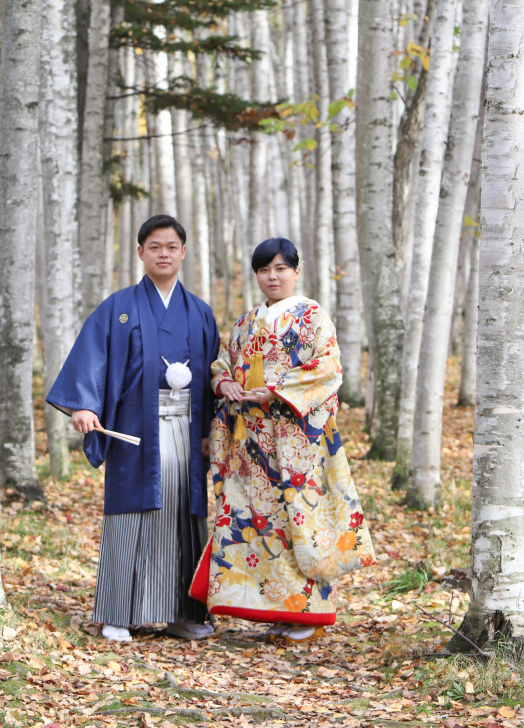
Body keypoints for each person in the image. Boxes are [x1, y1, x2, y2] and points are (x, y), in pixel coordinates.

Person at [191, 237, 375, 642]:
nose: (272, 277)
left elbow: (327, 367)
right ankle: (274, 608)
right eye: (263, 270)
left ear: (296, 270)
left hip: (295, 439)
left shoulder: (311, 316)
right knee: (258, 523)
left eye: (280, 269)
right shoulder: (244, 322)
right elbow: (223, 362)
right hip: (250, 443)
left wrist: (277, 391)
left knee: (299, 521)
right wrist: (224, 383)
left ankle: (306, 612)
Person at [46, 214, 220, 643]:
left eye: (172, 246)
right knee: (131, 515)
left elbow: (215, 371)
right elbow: (92, 357)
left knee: (183, 516)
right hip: (134, 430)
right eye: (155, 246)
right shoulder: (118, 308)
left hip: (186, 426)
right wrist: (84, 405)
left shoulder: (199, 312)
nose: (164, 253)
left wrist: (210, 431)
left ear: (183, 252)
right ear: (141, 252)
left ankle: (183, 613)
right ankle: (118, 613)